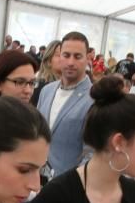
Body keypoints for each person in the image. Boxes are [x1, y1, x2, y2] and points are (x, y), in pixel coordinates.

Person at [36, 31, 93, 175]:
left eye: (77, 56)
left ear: (87, 59)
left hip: (67, 185)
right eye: (66, 55)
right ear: (60, 57)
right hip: (37, 178)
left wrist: (73, 184)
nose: (70, 62)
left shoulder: (95, 98)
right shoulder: (46, 91)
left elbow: (92, 153)